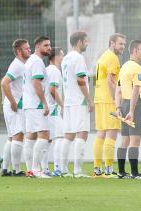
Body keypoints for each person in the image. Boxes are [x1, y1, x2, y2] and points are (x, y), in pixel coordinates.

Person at [93, 33, 125, 177]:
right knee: (112, 133)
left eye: (124, 44)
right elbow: (111, 81)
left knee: (101, 133)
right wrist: (116, 100)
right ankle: (109, 169)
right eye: (120, 44)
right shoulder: (113, 58)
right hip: (108, 99)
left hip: (99, 98)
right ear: (112, 43)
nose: (123, 47)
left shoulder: (103, 56)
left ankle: (97, 168)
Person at [61, 31, 92, 177]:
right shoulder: (78, 58)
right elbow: (81, 81)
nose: (87, 43)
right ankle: (78, 170)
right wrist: (89, 100)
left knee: (68, 135)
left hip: (68, 101)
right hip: (79, 101)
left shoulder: (65, 58)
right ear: (79, 41)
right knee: (82, 133)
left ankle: (63, 168)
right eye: (85, 41)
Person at [116, 40, 141, 178]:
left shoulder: (124, 67)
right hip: (134, 106)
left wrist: (118, 107)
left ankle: (122, 172)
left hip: (123, 105)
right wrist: (132, 111)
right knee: (135, 141)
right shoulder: (137, 68)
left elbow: (118, 91)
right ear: (135, 51)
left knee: (124, 140)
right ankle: (135, 173)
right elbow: (136, 90)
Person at [23, 36, 53, 178]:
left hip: (29, 104)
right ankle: (36, 169)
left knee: (31, 136)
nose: (49, 48)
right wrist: (45, 103)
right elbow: (36, 83)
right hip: (36, 104)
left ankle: (30, 169)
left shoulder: (30, 61)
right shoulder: (37, 62)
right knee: (44, 134)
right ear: (38, 46)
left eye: (49, 45)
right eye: (46, 45)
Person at [0, 39, 30, 176]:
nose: (29, 50)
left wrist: (5, 101)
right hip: (14, 105)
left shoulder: (20, 64)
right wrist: (12, 102)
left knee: (11, 137)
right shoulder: (17, 65)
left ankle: (5, 169)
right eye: (26, 48)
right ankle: (16, 170)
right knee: (18, 136)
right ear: (19, 51)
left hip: (11, 104)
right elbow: (4, 83)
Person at [44, 48, 64, 176]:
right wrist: (63, 105)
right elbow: (52, 90)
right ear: (55, 57)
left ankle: (44, 169)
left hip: (45, 108)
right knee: (60, 136)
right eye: (61, 56)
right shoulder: (55, 71)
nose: (63, 58)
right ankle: (57, 168)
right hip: (53, 109)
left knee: (47, 140)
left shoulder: (45, 70)